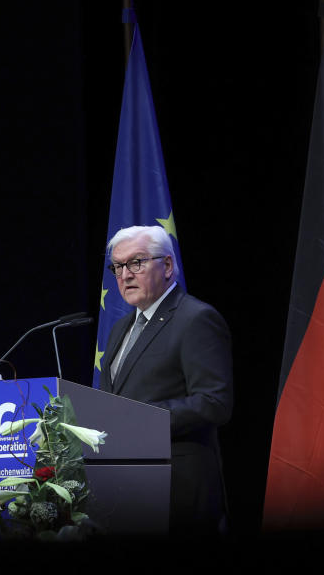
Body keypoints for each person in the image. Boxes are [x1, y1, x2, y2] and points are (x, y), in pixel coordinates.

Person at [100, 225, 233, 535]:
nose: (125, 275)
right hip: (127, 490)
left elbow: (215, 403)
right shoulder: (120, 328)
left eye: (137, 262)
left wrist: (142, 420)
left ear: (168, 266)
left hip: (179, 487)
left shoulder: (196, 319)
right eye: (118, 266)